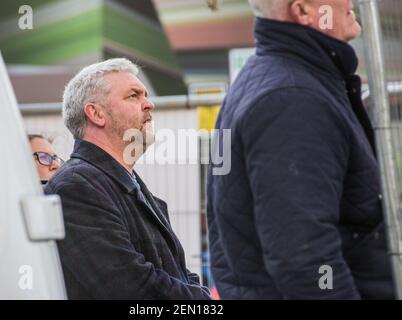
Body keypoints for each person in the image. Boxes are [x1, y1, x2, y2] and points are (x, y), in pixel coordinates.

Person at [207, 0, 395, 299]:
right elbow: (306, 259)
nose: (350, 1)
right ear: (304, 11)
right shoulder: (292, 99)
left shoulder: (279, 81)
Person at [45, 58, 211, 299]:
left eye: (145, 95)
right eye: (134, 95)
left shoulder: (122, 182)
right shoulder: (75, 187)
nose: (149, 104)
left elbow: (181, 274)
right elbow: (131, 288)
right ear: (96, 113)